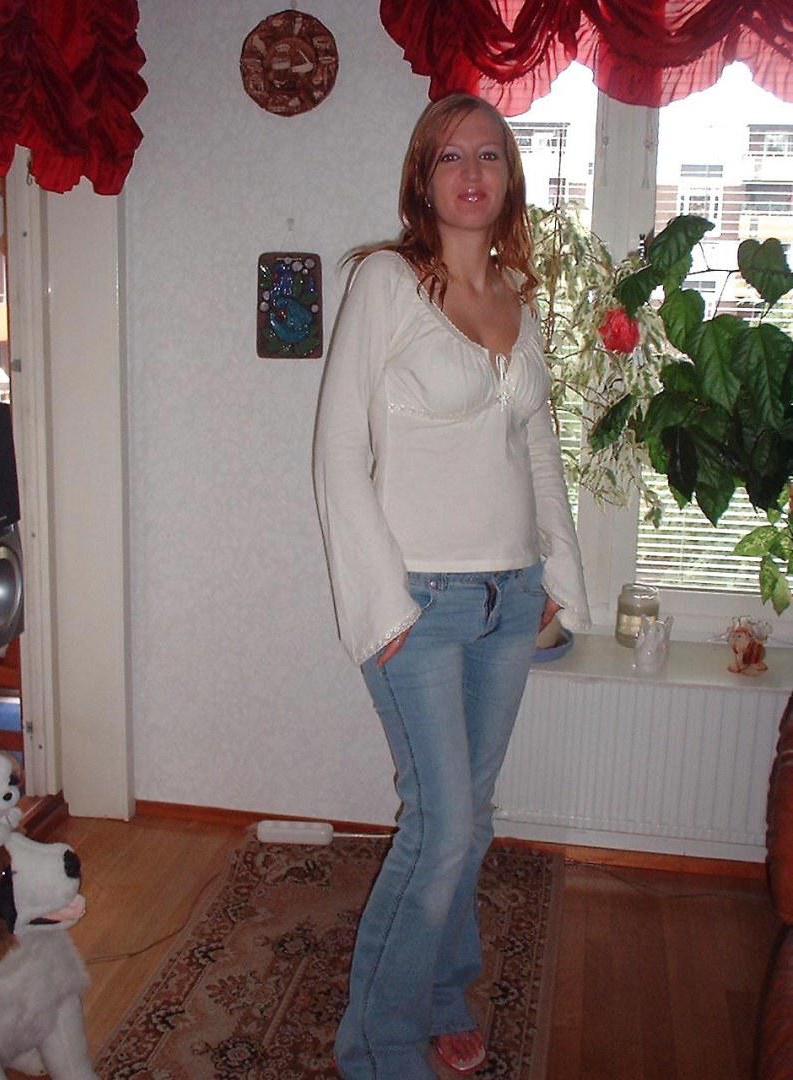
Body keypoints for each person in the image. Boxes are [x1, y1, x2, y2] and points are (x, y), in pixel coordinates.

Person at [313, 92, 590, 1080]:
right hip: (421, 604)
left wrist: (557, 576)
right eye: (450, 157)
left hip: (509, 599)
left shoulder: (519, 295)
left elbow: (538, 449)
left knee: (469, 815)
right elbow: (337, 454)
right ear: (422, 179)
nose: (472, 173)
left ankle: (440, 992)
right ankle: (379, 1050)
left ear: (510, 178)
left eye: (490, 155)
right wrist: (379, 605)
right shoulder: (386, 282)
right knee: (442, 829)